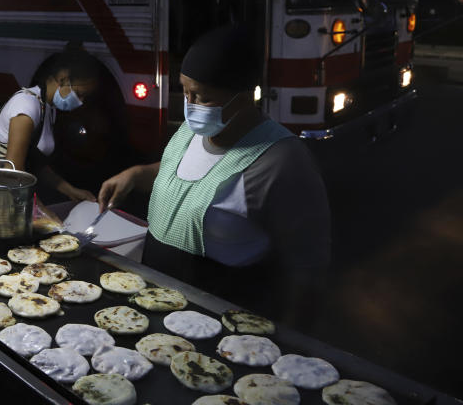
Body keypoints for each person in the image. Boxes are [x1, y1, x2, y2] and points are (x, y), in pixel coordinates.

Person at [97, 24, 330, 325]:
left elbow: (308, 265)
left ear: (245, 97)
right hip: (154, 298)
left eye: (202, 97)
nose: (190, 106)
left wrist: (292, 338)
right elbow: (186, 177)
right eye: (185, 91)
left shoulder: (282, 161)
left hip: (218, 315)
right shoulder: (193, 130)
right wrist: (138, 174)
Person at [0, 46, 100, 203]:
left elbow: (35, 163)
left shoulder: (48, 109)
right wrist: (40, 213)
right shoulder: (27, 105)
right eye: (79, 94)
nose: (81, 102)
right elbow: (13, 172)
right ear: (63, 79)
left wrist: (71, 191)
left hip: (8, 195)